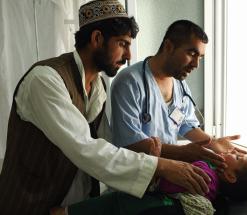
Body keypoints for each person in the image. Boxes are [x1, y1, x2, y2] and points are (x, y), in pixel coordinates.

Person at [0, 1, 212, 215]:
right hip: (31, 202)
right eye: (122, 44)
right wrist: (162, 166)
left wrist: (153, 158)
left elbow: (106, 144)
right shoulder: (45, 80)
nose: (129, 55)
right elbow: (86, 148)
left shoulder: (98, 86)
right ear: (97, 39)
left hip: (72, 203)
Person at [110, 19, 246, 168]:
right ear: (168, 46)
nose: (196, 64)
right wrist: (181, 152)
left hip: (165, 173)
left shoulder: (181, 86)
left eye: (200, 57)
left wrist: (213, 143)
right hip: (135, 177)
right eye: (192, 53)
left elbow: (186, 124)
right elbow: (129, 142)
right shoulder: (129, 82)